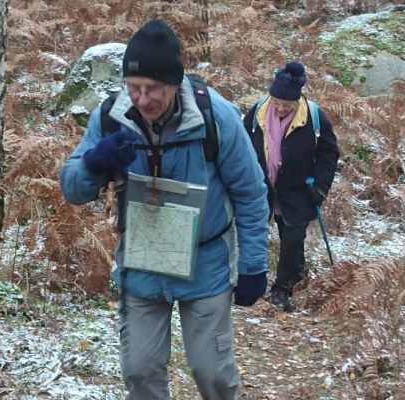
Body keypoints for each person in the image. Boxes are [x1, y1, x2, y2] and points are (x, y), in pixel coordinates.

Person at [58, 19, 269, 400]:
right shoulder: (110, 118)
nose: (141, 99)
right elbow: (71, 188)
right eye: (133, 88)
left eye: (152, 88)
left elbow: (251, 193)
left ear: (175, 83)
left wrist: (254, 265)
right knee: (139, 371)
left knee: (212, 372)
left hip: (205, 263)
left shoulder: (215, 118)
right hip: (142, 263)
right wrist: (94, 163)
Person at [241, 61, 341, 313]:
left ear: (298, 101)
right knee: (254, 234)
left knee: (292, 237)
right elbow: (240, 147)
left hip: (298, 189)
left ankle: (282, 287)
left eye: (288, 105)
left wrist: (320, 187)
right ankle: (257, 277)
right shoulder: (257, 112)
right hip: (262, 188)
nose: (281, 108)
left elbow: (329, 154)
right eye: (277, 103)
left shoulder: (313, 118)